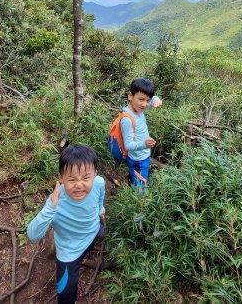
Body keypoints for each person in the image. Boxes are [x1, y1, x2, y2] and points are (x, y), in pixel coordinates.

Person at [27, 144, 105, 304]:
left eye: (85, 178)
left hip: (93, 231)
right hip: (70, 251)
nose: (79, 185)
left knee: (101, 233)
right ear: (61, 177)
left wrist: (100, 209)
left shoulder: (98, 182)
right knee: (66, 294)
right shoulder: (56, 202)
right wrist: (49, 208)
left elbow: (100, 197)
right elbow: (33, 235)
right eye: (71, 179)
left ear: (95, 174)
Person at [120, 78, 162, 189]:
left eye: (147, 101)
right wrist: (145, 144)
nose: (144, 104)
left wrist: (156, 99)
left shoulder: (138, 108)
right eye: (141, 100)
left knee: (137, 179)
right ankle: (139, 201)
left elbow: (150, 99)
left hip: (142, 156)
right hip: (138, 159)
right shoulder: (127, 120)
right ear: (130, 96)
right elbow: (128, 145)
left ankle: (132, 186)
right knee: (141, 186)